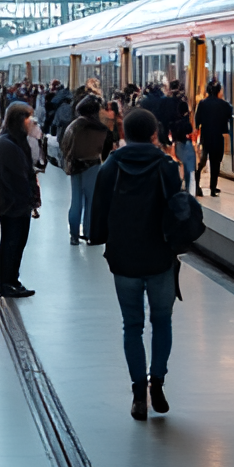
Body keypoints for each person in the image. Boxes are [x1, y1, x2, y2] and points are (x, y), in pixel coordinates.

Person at [89, 107, 182, 421]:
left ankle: (138, 393)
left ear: (124, 134)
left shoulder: (112, 165)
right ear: (154, 133)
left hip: (124, 258)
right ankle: (157, 381)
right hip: (160, 258)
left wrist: (100, 238)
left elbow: (98, 208)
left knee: (132, 326)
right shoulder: (167, 165)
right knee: (162, 322)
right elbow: (177, 207)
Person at [0, 101, 39, 298]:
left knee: (18, 243)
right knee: (12, 242)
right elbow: (17, 177)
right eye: (29, 119)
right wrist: (29, 198)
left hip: (20, 203)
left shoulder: (17, 141)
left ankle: (13, 280)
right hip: (13, 204)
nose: (32, 123)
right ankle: (6, 282)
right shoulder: (6, 145)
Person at [61, 95, 114, 245]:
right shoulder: (102, 128)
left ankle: (74, 236)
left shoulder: (74, 126)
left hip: (75, 165)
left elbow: (65, 145)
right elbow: (106, 150)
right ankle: (90, 233)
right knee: (91, 202)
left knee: (76, 201)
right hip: (93, 165)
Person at [194, 81, 233, 197]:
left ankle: (197, 185)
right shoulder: (224, 105)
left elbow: (197, 120)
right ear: (219, 91)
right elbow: (229, 116)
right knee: (215, 163)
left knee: (201, 163)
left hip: (206, 137)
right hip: (218, 138)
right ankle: (213, 188)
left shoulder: (202, 103)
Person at [167, 82, 196, 192]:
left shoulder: (170, 103)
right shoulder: (184, 117)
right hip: (184, 141)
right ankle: (189, 189)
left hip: (176, 140)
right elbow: (189, 128)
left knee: (181, 164)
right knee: (189, 167)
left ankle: (181, 186)